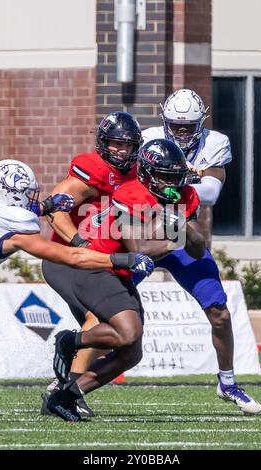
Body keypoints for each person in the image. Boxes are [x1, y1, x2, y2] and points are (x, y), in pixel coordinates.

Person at [45, 138, 206, 422]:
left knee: (131, 353)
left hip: (120, 275)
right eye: (164, 176)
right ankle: (71, 341)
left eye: (175, 176)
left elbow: (198, 249)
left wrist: (187, 230)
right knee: (128, 333)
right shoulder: (130, 193)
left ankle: (65, 396)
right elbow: (140, 250)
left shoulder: (185, 195)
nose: (172, 183)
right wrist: (174, 237)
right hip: (98, 267)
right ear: (146, 173)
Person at [141, 89, 261, 414]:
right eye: (176, 126)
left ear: (201, 121)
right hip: (139, 231)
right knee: (107, 302)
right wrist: (190, 175)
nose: (182, 132)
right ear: (164, 121)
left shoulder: (215, 142)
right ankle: (73, 379)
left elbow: (209, 194)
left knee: (219, 312)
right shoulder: (146, 137)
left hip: (181, 232)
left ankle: (227, 381)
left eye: (189, 126)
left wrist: (167, 181)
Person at [40, 111, 145, 416]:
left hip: (106, 264)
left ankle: (67, 390)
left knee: (129, 346)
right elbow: (56, 207)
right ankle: (66, 392)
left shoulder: (136, 173)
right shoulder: (92, 168)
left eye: (127, 145)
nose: (121, 150)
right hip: (69, 260)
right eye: (115, 143)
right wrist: (79, 245)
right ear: (103, 143)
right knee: (100, 320)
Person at [0, 159, 154, 276]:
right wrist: (126, 259)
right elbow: (73, 257)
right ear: (10, 193)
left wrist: (46, 207)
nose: (30, 198)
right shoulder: (14, 228)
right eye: (26, 193)